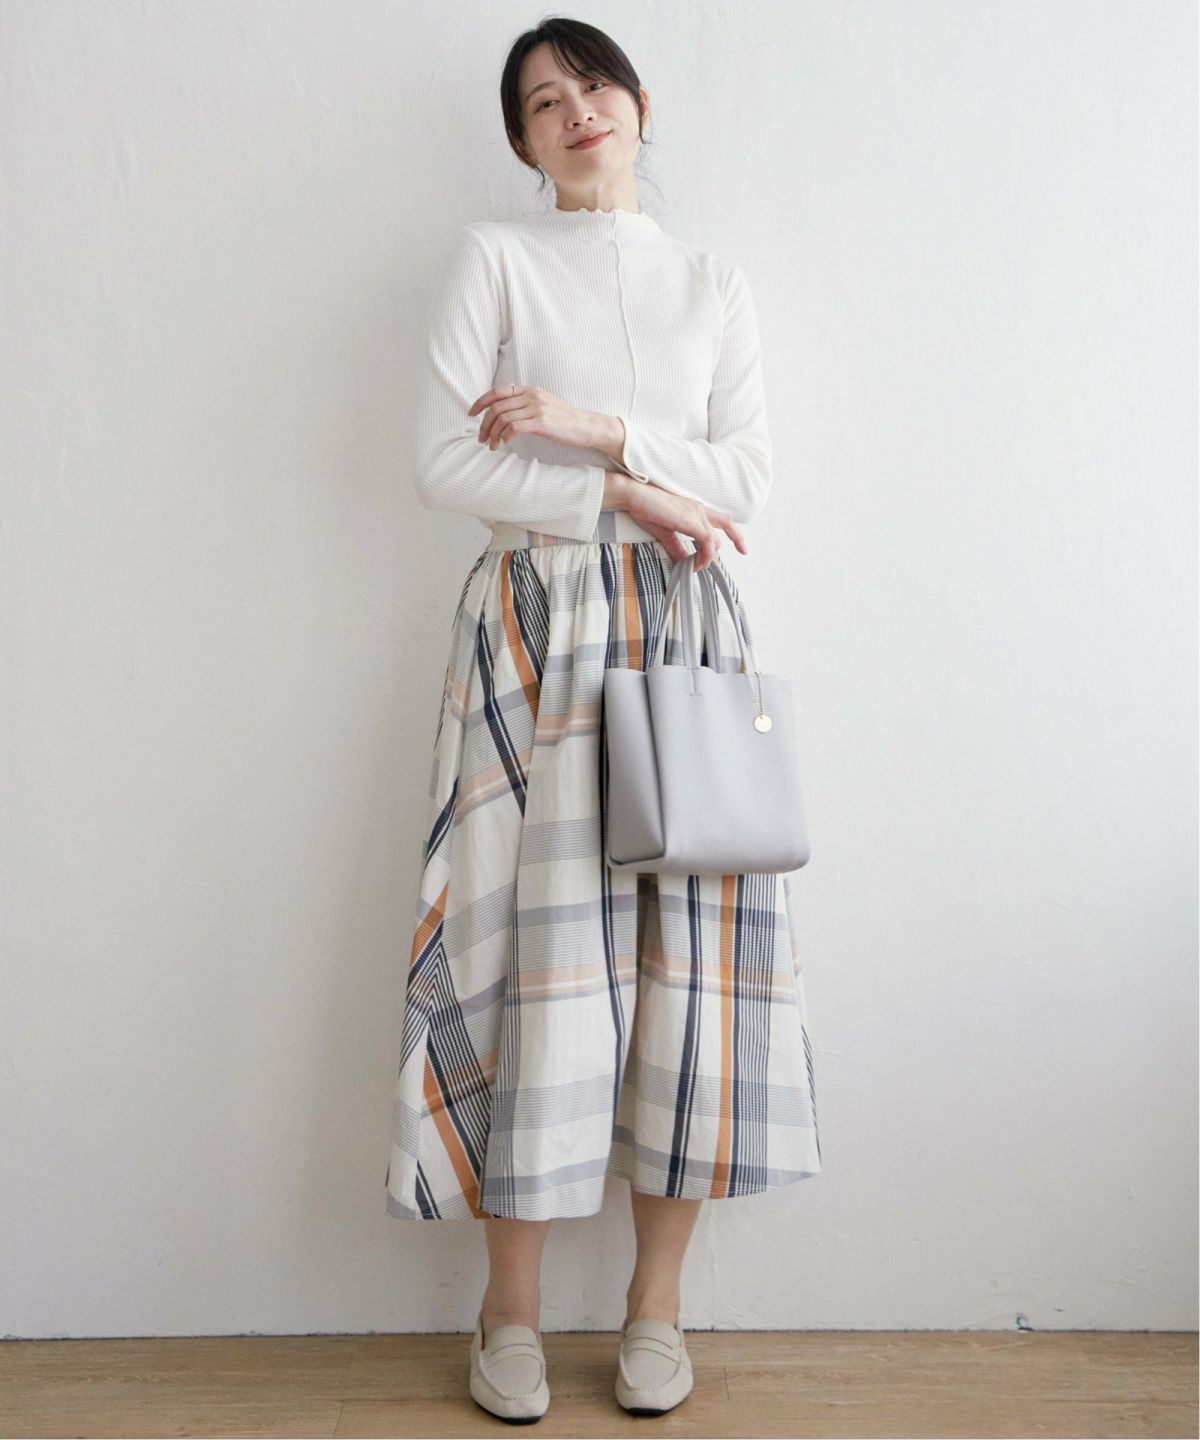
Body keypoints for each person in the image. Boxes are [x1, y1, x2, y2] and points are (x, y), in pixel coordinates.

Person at [384, 18, 821, 1422]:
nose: (575, 112)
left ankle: (655, 1308)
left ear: (639, 103)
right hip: (540, 623)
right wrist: (616, 494)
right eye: (542, 102)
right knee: (535, 955)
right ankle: (506, 1314)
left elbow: (744, 479)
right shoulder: (496, 259)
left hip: (688, 633)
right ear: (522, 142)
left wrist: (595, 429)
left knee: (690, 967)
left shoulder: (710, 280)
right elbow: (442, 458)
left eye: (593, 86)